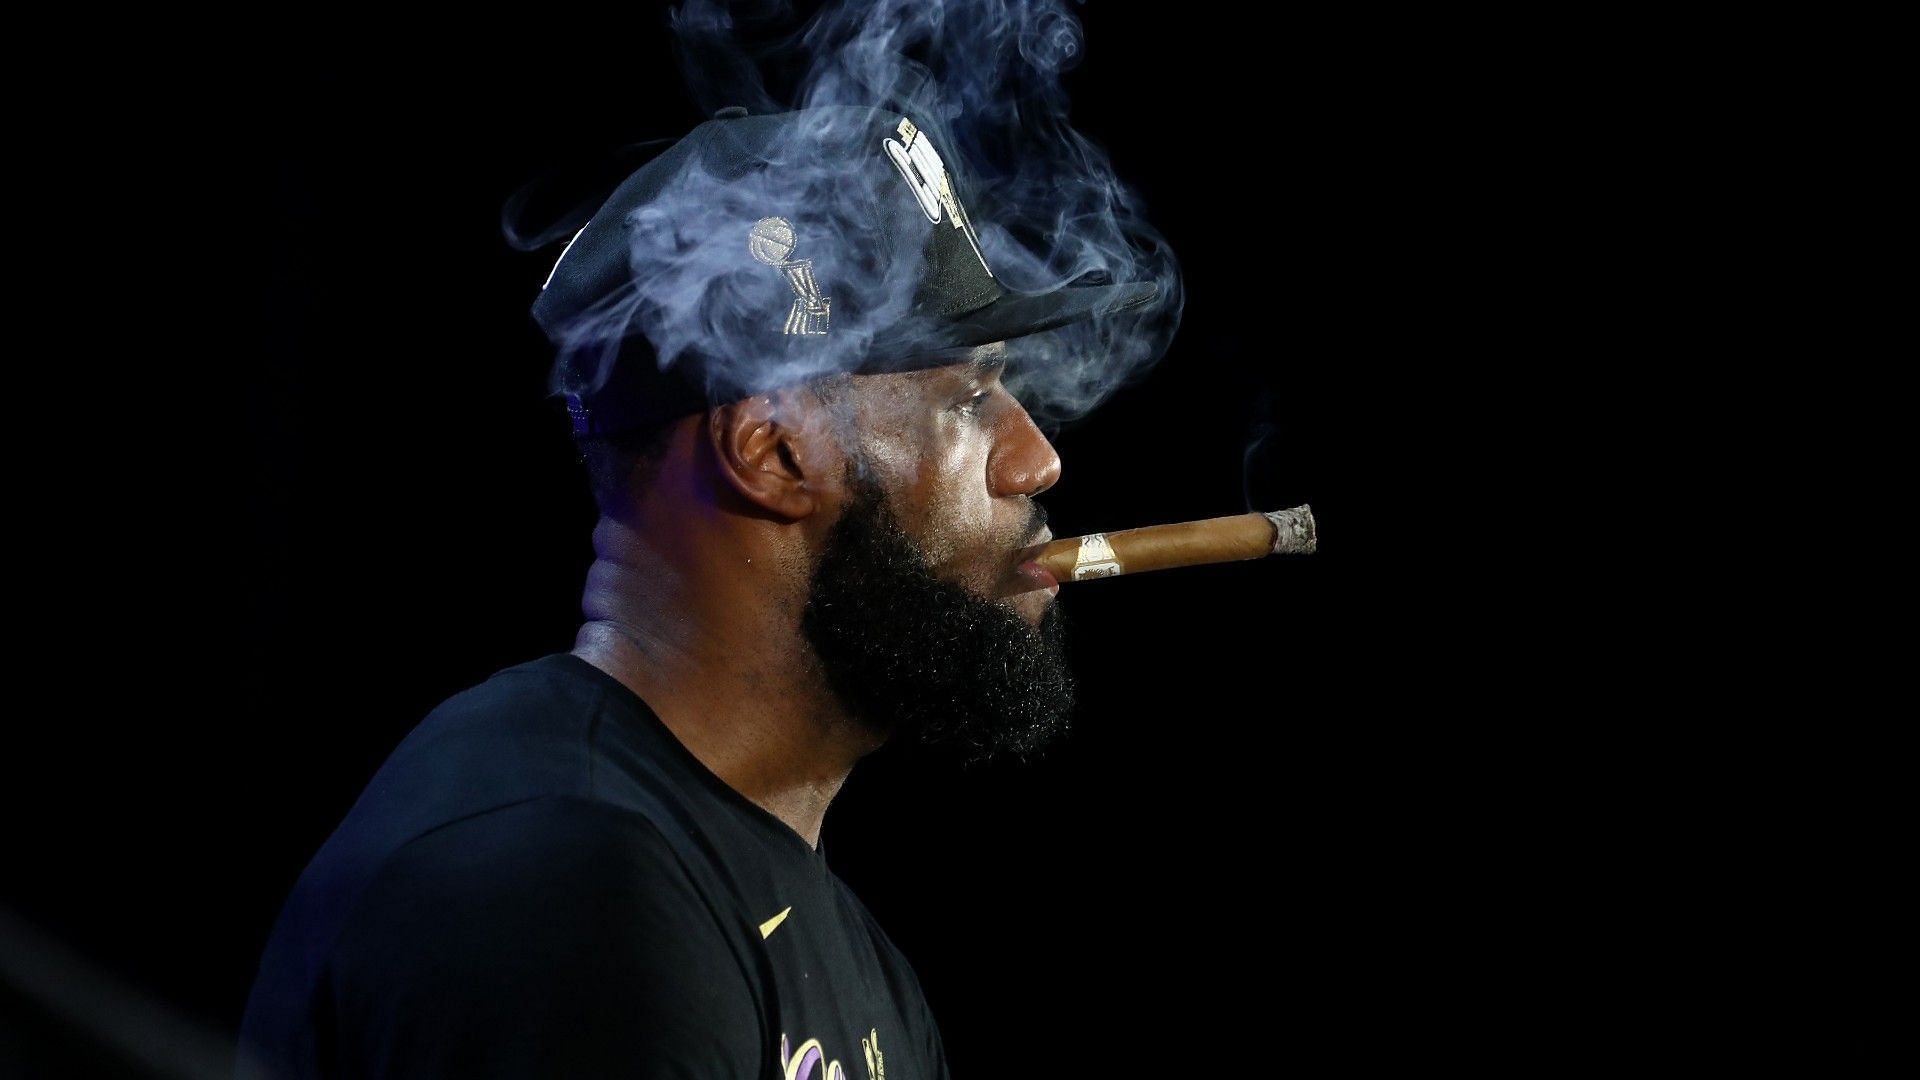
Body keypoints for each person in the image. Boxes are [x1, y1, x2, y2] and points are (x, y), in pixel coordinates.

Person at [236, 102, 1159, 1078]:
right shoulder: (573, 885)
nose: (1039, 460)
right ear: (773, 454)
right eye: (969, 401)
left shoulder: (841, 952)